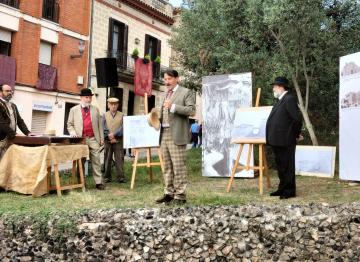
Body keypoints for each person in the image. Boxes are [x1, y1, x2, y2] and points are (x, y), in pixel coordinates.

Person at [156, 69, 195, 205]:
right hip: (164, 134)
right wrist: (154, 118)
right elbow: (162, 113)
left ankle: (180, 195)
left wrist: (173, 107)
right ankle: (169, 193)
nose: (166, 82)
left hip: (177, 134)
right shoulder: (165, 94)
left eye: (169, 79)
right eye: (165, 79)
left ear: (177, 78)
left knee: (178, 166)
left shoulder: (186, 92)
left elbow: (191, 110)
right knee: (167, 166)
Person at [266, 77, 302, 199]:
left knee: (287, 166)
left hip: (286, 140)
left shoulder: (289, 99)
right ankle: (282, 188)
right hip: (277, 140)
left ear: (281, 87)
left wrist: (295, 135)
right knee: (281, 166)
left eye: (274, 86)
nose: (273, 88)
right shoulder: (281, 100)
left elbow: (296, 119)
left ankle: (289, 190)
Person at [67, 88, 105, 190]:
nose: (89, 99)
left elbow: (100, 126)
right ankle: (81, 182)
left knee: (96, 160)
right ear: (81, 98)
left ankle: (98, 182)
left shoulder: (95, 109)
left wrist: (101, 138)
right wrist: (73, 132)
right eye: (87, 97)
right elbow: (69, 124)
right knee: (81, 160)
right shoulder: (73, 110)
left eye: (90, 97)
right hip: (81, 139)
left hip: (93, 138)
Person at [0, 84, 31, 161]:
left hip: (11, 138)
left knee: (8, 163)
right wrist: (14, 134)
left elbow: (20, 121)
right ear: (0, 92)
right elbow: (1, 123)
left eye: (11, 91)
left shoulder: (13, 105)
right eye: (7, 91)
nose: (10, 92)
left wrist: (28, 133)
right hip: (1, 139)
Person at [102, 97, 125, 183]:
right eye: (111, 104)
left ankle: (121, 177)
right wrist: (108, 136)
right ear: (108, 105)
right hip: (108, 140)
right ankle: (107, 177)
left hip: (118, 140)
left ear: (118, 105)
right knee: (107, 158)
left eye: (115, 104)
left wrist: (114, 135)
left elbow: (123, 127)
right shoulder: (105, 115)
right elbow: (103, 127)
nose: (113, 106)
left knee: (119, 158)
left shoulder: (122, 115)